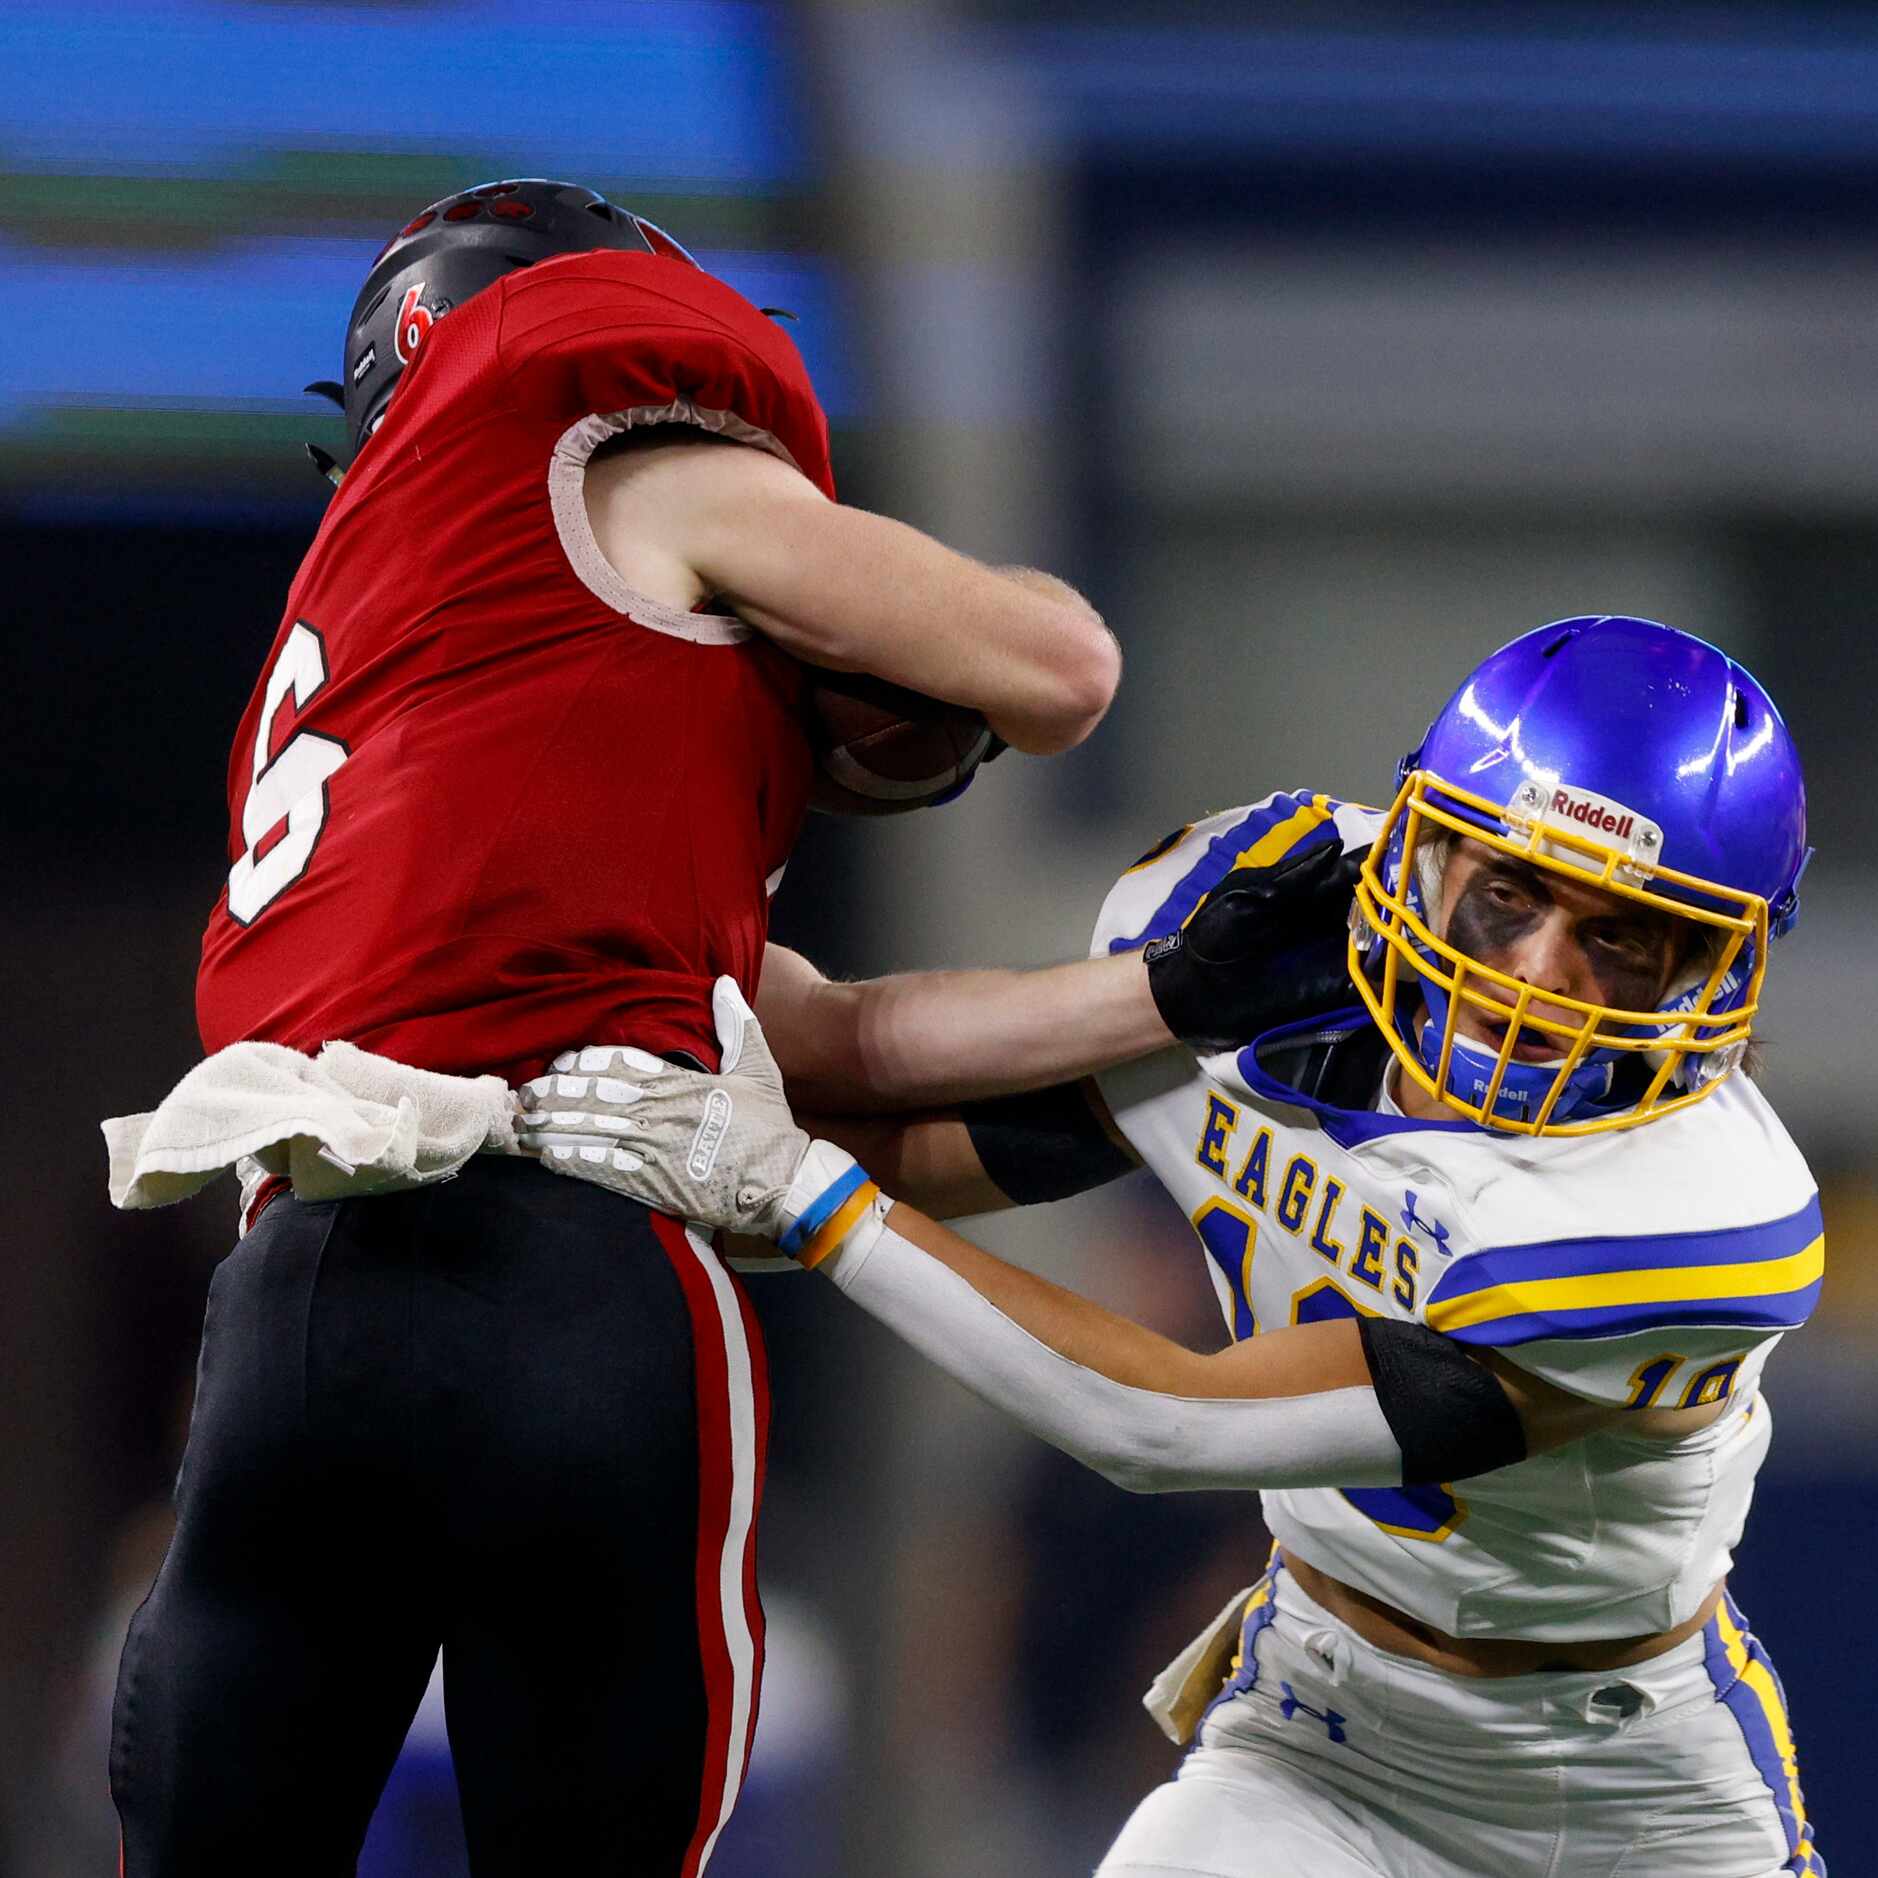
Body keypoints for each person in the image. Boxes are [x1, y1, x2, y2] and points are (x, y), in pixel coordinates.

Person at [103, 177, 1121, 1875]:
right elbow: (1057, 669)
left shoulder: (396, 667)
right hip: (567, 1290)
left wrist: (1169, 1007)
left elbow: (840, 1037)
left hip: (290, 1313)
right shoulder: (636, 452)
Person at [524, 616, 1826, 1877]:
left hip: (1629, 1797)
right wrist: (620, 1136)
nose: (1534, 972)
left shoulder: (1680, 1218)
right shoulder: (1278, 943)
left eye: (1618, 936)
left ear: (1714, 973)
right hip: (1323, 1737)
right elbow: (957, 1150)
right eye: (1506, 895)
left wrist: (799, 1192)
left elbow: (1166, 1423)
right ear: (1423, 854)